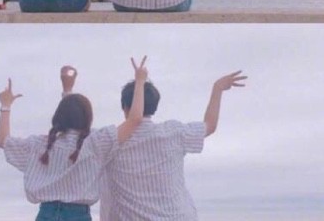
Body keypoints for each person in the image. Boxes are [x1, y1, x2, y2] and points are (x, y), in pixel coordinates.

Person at [0, 57, 147, 221]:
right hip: (78, 215)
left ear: (58, 116)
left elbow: (3, 141)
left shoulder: (40, 144)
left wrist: (5, 106)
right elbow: (135, 120)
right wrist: (140, 81)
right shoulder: (95, 142)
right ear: (88, 117)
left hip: (46, 214)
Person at [95, 70, 247, 220]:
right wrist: (217, 88)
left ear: (125, 107)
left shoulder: (110, 141)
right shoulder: (173, 132)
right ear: (154, 107)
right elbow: (209, 125)